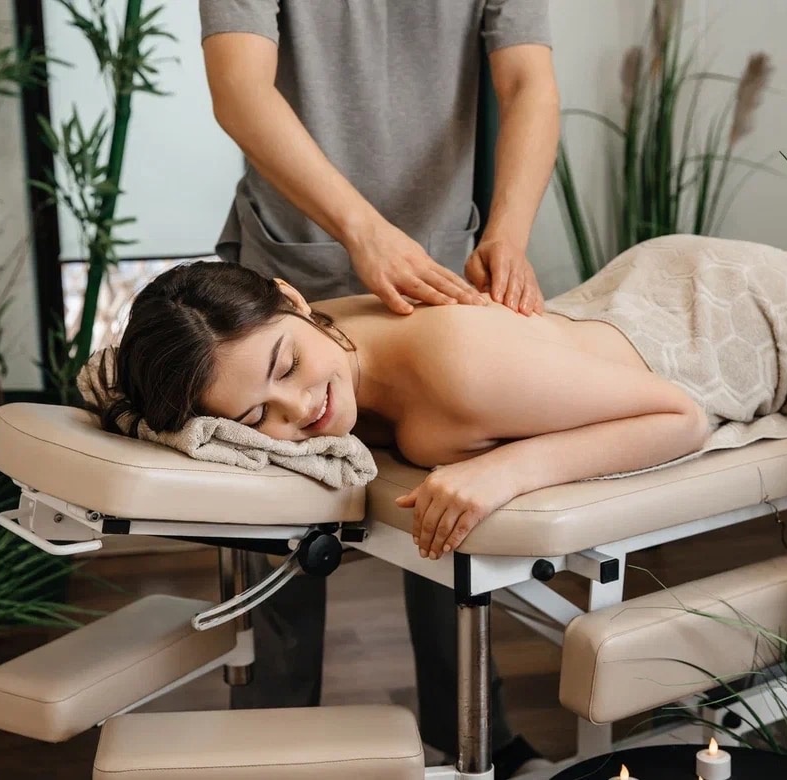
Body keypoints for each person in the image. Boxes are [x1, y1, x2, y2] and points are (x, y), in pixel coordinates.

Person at [97, 232, 787, 562]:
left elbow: (681, 417)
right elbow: (128, 383)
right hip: (638, 300)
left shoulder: (451, 367)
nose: (298, 411)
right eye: (255, 418)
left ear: (293, 301)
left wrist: (506, 473)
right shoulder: (322, 330)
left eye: (287, 367)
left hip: (736, 327)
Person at [195, 2, 560, 776]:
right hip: (288, 284)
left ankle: (477, 734)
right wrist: (360, 229)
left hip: (439, 272)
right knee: (280, 549)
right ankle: (268, 752)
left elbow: (528, 80)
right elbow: (238, 86)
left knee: (446, 505)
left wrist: (508, 233)